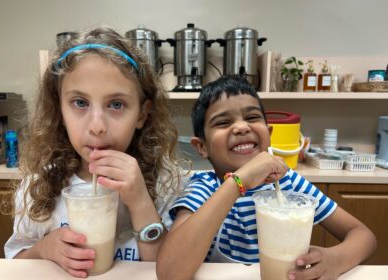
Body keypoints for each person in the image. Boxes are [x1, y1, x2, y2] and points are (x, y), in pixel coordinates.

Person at [4, 26, 183, 278]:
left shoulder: (165, 182)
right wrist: (44, 249)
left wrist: (141, 202)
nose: (97, 127)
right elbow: (14, 262)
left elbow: (169, 269)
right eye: (80, 103)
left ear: (142, 114)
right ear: (60, 111)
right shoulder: (39, 188)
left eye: (116, 104)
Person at [156, 76, 377, 280]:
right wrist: (237, 182)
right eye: (223, 122)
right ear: (202, 147)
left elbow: (363, 236)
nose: (242, 127)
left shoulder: (289, 184)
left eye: (252, 117)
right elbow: (170, 271)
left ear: (269, 135)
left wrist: (335, 259)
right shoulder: (203, 189)